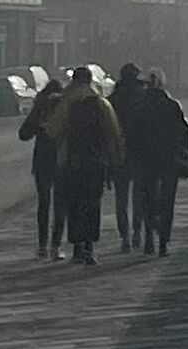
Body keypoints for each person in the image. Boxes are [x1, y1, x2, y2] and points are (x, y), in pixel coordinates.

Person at [45, 65, 125, 266]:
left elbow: (53, 131)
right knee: (92, 204)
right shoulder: (101, 103)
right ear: (90, 81)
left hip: (71, 161)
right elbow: (113, 133)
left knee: (74, 204)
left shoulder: (67, 102)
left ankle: (77, 247)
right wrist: (115, 159)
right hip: (95, 162)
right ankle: (90, 246)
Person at [129, 68, 188, 256]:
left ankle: (149, 240)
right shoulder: (172, 106)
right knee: (167, 202)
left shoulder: (140, 108)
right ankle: (163, 242)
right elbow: (184, 132)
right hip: (169, 160)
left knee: (149, 201)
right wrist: (183, 151)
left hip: (147, 162)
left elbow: (133, 137)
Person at [19, 75, 66, 260]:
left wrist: (39, 128)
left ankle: (42, 245)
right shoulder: (64, 108)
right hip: (61, 160)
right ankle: (56, 246)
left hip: (42, 161)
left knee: (44, 204)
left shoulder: (39, 109)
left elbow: (23, 134)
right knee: (60, 205)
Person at [109, 62, 148, 253]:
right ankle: (137, 232)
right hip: (141, 153)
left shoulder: (113, 99)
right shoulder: (144, 96)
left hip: (119, 152)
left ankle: (124, 235)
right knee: (139, 196)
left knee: (121, 197)